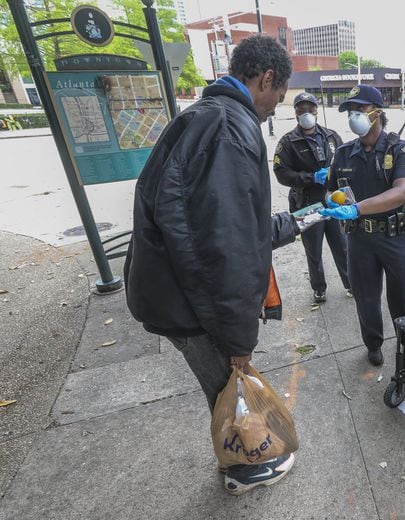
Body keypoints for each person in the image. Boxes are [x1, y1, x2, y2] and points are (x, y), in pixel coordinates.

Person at [124, 35, 299, 496]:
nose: (274, 108)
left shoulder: (205, 116)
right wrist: (238, 338)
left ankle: (237, 460)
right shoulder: (229, 128)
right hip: (193, 305)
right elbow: (225, 248)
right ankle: (244, 468)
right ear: (265, 80)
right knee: (229, 391)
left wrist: (293, 222)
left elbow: (228, 221)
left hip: (174, 292)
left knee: (224, 389)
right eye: (277, 98)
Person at [320, 85, 405, 366]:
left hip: (396, 236)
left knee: (402, 299)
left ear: (377, 112)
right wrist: (333, 200)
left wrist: (356, 208)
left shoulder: (400, 149)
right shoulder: (342, 153)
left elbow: (402, 191)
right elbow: (329, 190)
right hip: (359, 240)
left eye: (360, 109)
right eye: (350, 111)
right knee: (365, 299)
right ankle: (373, 344)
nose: (354, 116)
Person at [273, 92, 351, 303]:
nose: (306, 113)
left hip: (333, 202)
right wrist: (309, 177)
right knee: (313, 249)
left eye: (310, 108)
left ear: (317, 110)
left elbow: (344, 164)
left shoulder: (332, 136)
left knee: (341, 246)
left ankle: (350, 283)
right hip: (306, 203)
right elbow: (281, 173)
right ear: (295, 112)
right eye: (301, 109)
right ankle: (319, 288)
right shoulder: (288, 142)